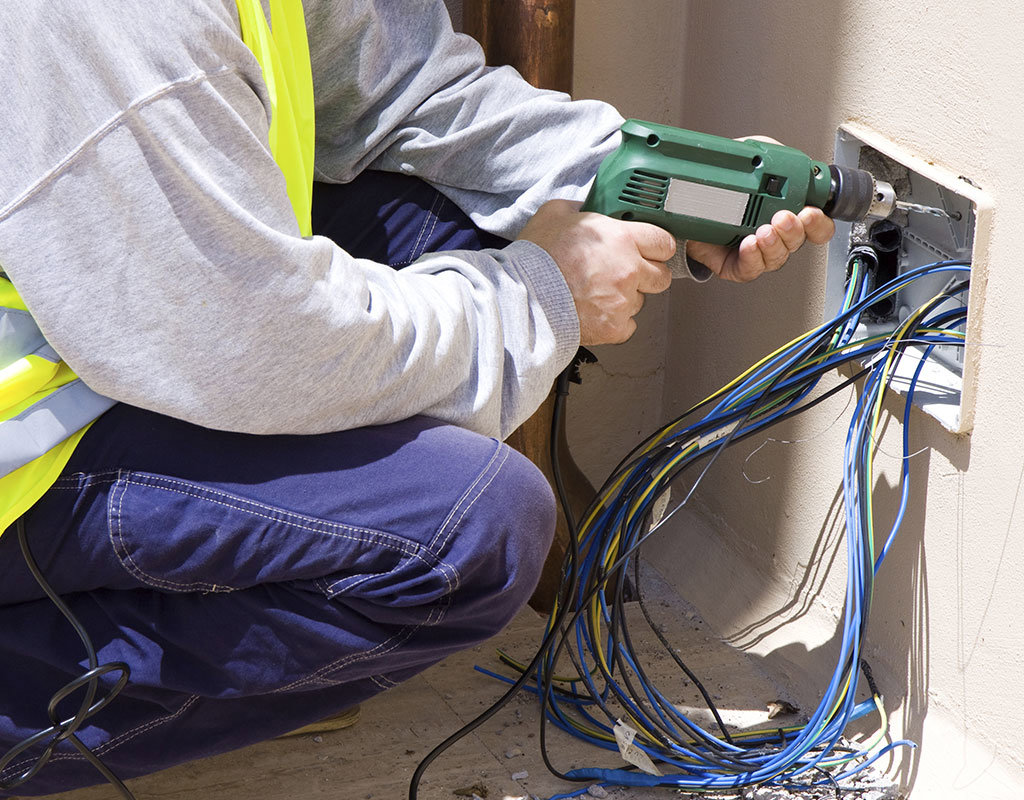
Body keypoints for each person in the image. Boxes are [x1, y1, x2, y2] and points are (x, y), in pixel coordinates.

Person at [0, 0, 833, 794]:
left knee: (474, 216)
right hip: (29, 446)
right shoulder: (108, 23)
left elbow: (414, 96)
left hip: (132, 324)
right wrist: (545, 292)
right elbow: (254, 343)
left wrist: (664, 186)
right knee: (469, 534)